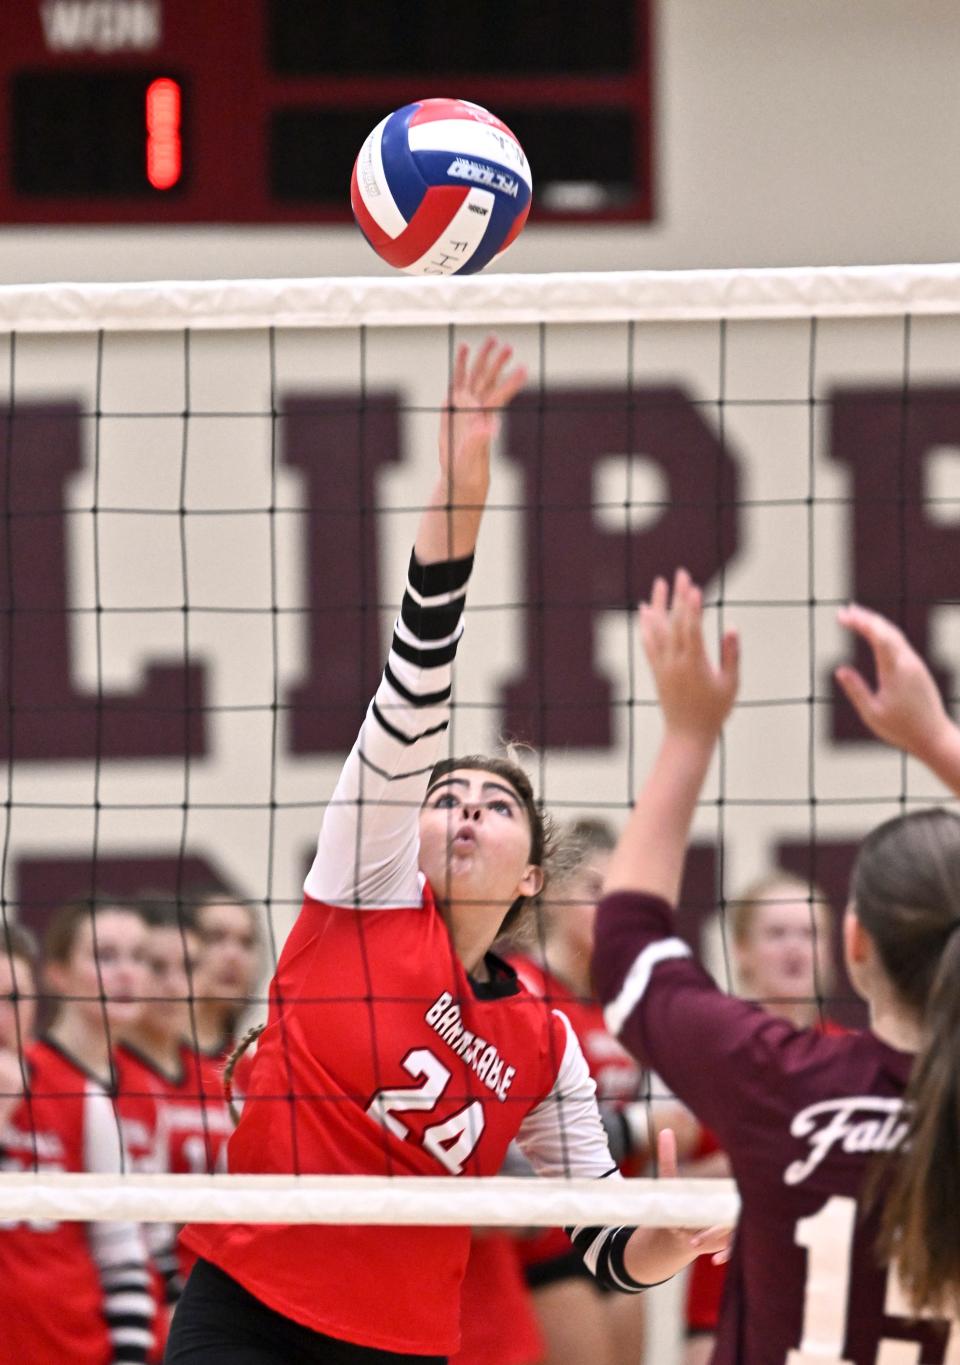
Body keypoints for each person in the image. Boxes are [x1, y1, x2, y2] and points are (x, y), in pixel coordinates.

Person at [169, 340, 728, 1364]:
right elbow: (415, 673)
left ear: (530, 876)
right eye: (446, 798)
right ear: (410, 831)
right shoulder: (363, 887)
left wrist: (669, 1240)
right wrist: (460, 491)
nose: (465, 810)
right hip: (246, 1311)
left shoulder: (546, 1037)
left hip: (399, 1345)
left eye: (496, 806)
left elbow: (603, 1243)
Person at [591, 573, 960, 1363]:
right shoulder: (782, 1069)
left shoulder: (781, 1080)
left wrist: (689, 733)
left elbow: (623, 943)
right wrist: (939, 741)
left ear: (852, 943)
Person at [682, 871, 841, 1365]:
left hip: (831, 1309)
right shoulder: (706, 1052)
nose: (795, 948)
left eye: (809, 932)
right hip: (724, 1308)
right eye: (777, 933)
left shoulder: (855, 1057)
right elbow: (661, 1183)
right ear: (743, 950)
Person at [507, 819, 651, 1365]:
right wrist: (635, 1130)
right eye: (595, 890)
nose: (610, 910)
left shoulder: (620, 1008)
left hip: (619, 1235)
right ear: (554, 892)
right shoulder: (522, 986)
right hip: (548, 1244)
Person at [0, 905, 155, 1364]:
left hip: (71, 1349)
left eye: (14, 999)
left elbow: (122, 1253)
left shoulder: (81, 1096)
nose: (3, 1017)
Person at [117, 901, 233, 1279]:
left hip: (212, 1291)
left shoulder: (218, 1078)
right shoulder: (108, 1077)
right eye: (156, 967)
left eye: (189, 967)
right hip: (141, 1294)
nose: (173, 984)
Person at [189, 892, 262, 1062]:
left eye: (246, 942)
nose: (233, 956)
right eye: (216, 937)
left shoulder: (249, 1075)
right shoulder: (131, 1062)